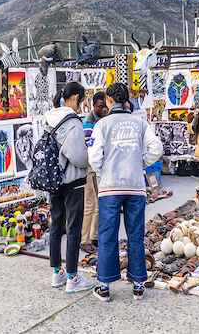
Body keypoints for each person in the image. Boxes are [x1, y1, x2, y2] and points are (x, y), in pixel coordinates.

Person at [88, 82, 163, 301]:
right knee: (136, 235)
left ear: (109, 100)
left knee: (107, 235)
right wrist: (141, 163)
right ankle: (138, 285)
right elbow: (156, 149)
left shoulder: (102, 125)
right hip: (135, 186)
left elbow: (94, 157)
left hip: (110, 188)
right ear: (125, 100)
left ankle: (104, 287)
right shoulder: (139, 123)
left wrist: (104, 172)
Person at [44, 82, 93, 293]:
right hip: (72, 182)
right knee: (73, 228)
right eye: (81, 101)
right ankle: (73, 277)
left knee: (56, 226)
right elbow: (79, 158)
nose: (81, 105)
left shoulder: (49, 117)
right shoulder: (73, 122)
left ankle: (57, 273)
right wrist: (88, 153)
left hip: (52, 180)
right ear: (75, 98)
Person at [81, 91, 108, 253]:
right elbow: (89, 150)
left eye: (106, 106)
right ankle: (84, 240)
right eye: (100, 107)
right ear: (93, 106)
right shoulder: (89, 123)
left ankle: (95, 236)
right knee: (90, 204)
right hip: (89, 167)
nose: (104, 109)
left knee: (99, 203)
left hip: (99, 168)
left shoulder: (104, 120)